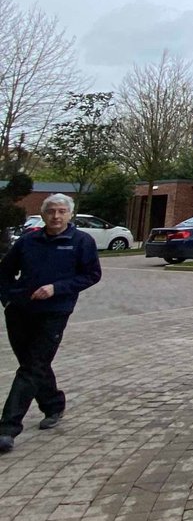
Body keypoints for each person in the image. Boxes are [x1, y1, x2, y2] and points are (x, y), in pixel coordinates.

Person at [0, 194, 102, 453]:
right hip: (20, 311)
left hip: (55, 312)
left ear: (70, 215)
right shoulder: (28, 241)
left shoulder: (81, 242)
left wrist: (57, 288)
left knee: (32, 367)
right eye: (51, 212)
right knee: (32, 364)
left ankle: (7, 429)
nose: (56, 216)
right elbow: (4, 272)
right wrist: (9, 299)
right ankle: (54, 404)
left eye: (61, 212)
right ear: (43, 215)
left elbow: (92, 275)